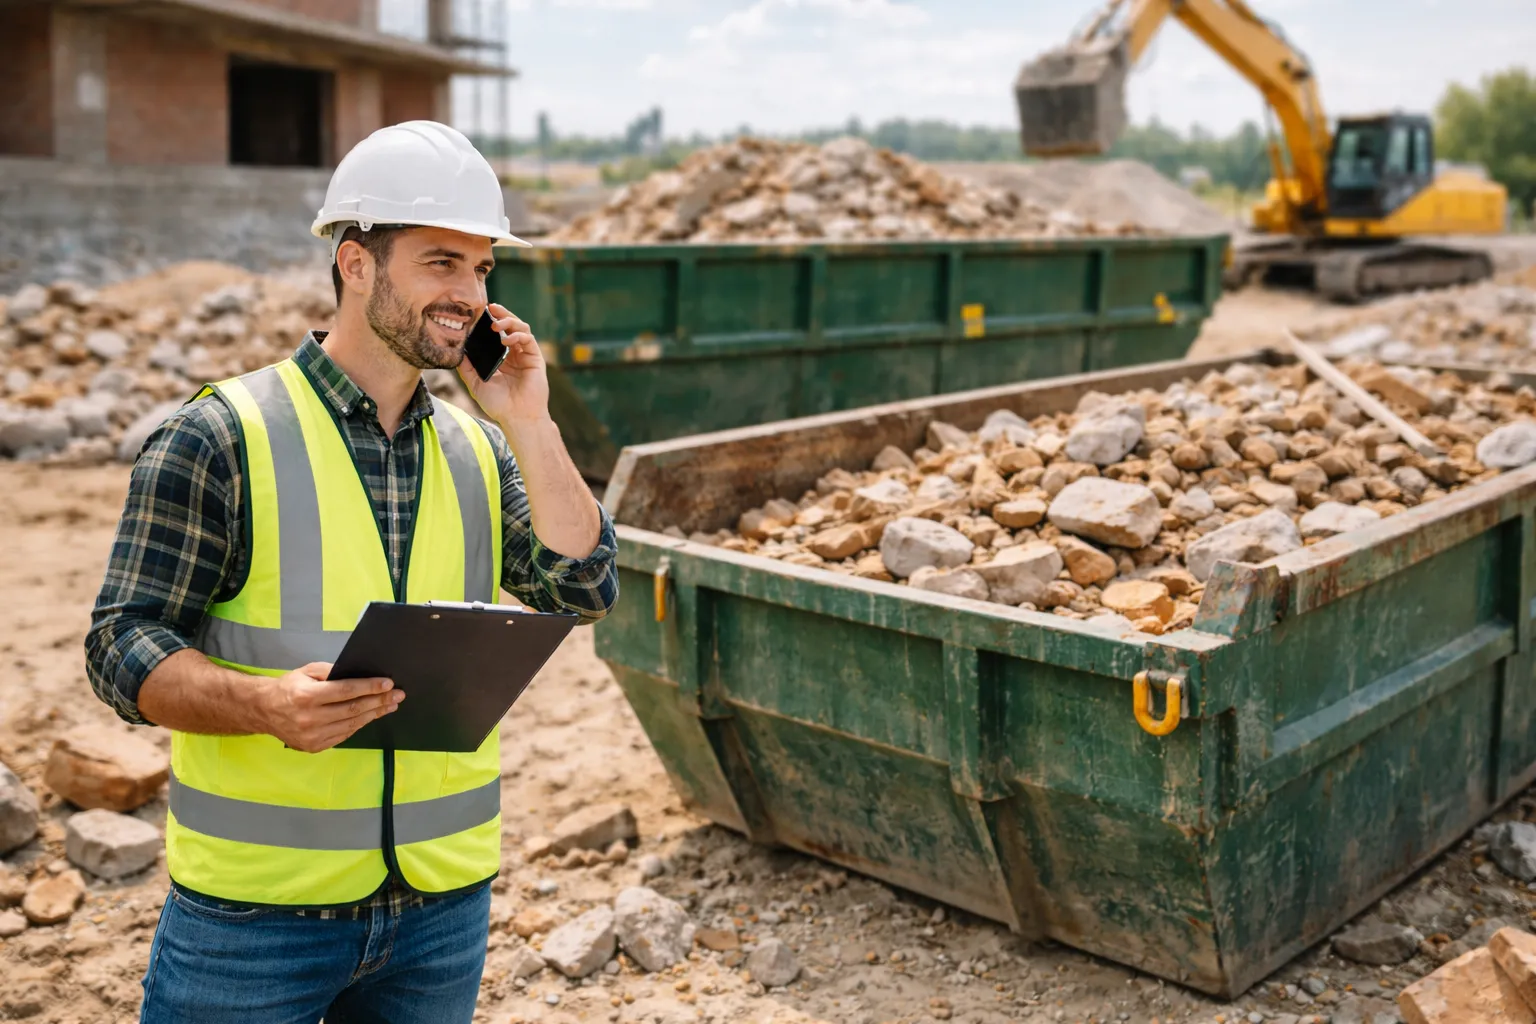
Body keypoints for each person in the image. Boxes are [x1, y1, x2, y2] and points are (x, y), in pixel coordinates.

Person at [84, 120, 619, 1023]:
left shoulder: (480, 451)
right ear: (355, 262)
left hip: (441, 910)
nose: (471, 295)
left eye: (483, 269)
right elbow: (119, 646)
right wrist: (264, 706)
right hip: (255, 919)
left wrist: (530, 420)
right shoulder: (222, 435)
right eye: (441, 263)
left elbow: (582, 586)